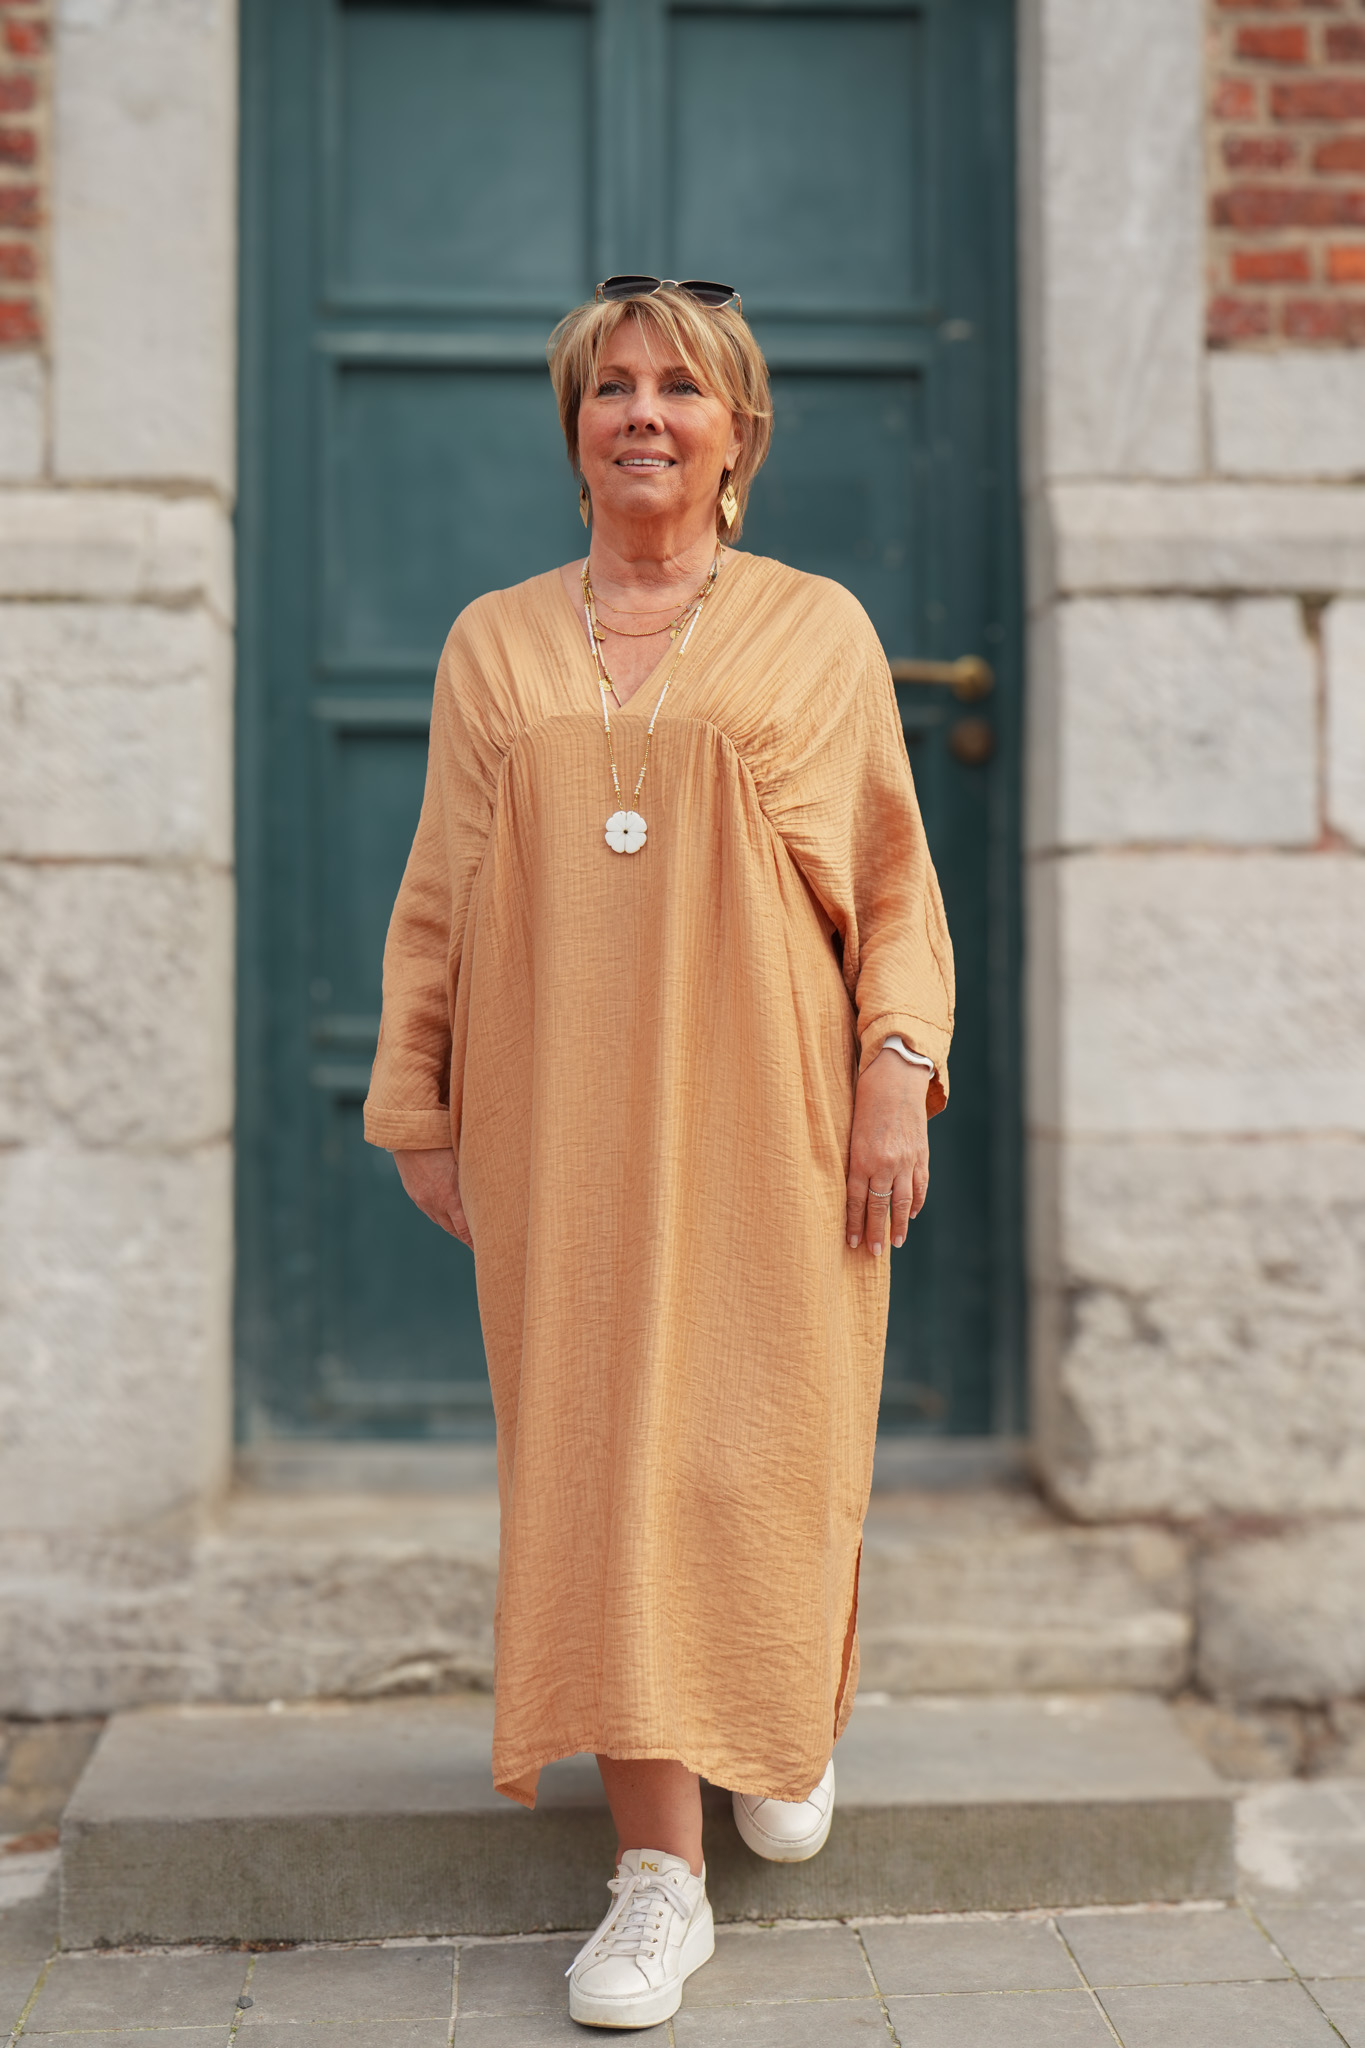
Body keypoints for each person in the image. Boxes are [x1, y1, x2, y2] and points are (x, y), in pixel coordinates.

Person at [363, 277, 954, 2030]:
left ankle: (776, 1716)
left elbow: (894, 880)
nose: (642, 413)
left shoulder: (815, 630)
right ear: (573, 430)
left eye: (679, 389)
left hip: (775, 1111)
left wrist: (894, 1069)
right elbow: (438, 893)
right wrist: (419, 1097)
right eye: (610, 386)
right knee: (602, 1456)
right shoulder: (492, 644)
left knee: (763, 1432)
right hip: (560, 1124)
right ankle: (656, 1880)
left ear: (735, 432)